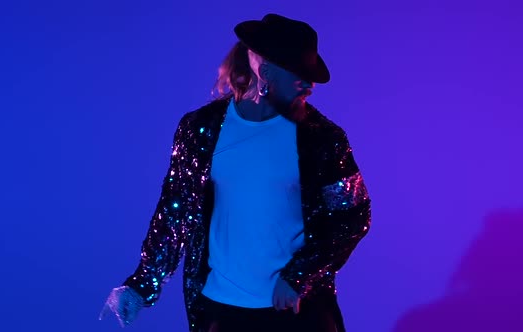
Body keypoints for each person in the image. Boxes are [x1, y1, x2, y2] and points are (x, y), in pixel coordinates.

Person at [99, 13, 372, 332]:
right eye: (300, 73)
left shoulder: (322, 138)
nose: (310, 85)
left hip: (298, 309)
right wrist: (141, 286)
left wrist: (299, 276)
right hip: (224, 311)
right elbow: (176, 212)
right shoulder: (201, 129)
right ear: (266, 69)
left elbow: (352, 215)